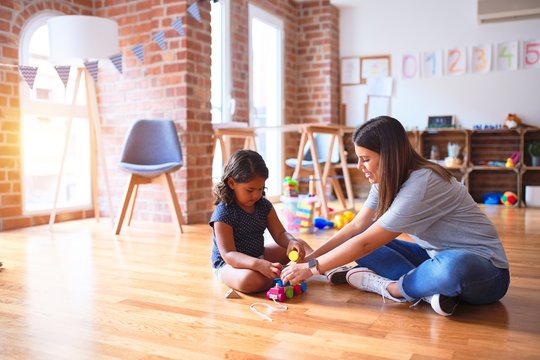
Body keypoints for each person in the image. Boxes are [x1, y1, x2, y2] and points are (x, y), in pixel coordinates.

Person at [281, 116, 510, 316]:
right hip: (432, 258)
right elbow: (357, 227)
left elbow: (366, 241)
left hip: (487, 272)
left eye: (366, 158)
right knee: (361, 246)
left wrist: (312, 269)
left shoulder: (423, 182)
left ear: (388, 156)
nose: (360, 166)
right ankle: (430, 292)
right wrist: (308, 262)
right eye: (358, 158)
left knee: (451, 267)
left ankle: (393, 289)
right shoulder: (384, 182)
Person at [210, 149, 312, 293]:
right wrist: (257, 264)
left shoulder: (264, 206)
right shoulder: (223, 213)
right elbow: (229, 255)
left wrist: (290, 242)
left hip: (259, 255)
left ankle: (322, 267)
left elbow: (280, 234)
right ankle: (283, 275)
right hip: (229, 266)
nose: (257, 195)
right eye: (250, 190)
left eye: (260, 188)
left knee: (299, 245)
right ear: (232, 183)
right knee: (249, 281)